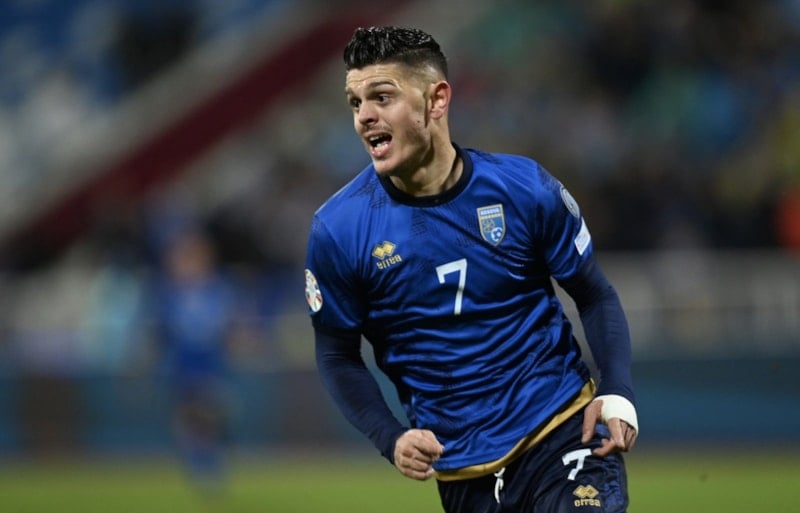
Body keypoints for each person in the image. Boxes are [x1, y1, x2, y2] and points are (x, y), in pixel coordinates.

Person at [304, 26, 638, 513]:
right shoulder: (340, 230)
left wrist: (618, 391)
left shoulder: (524, 190)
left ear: (436, 100)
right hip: (463, 471)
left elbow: (594, 294)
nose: (364, 116)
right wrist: (390, 436)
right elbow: (337, 354)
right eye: (355, 103)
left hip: (562, 430)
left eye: (382, 97)